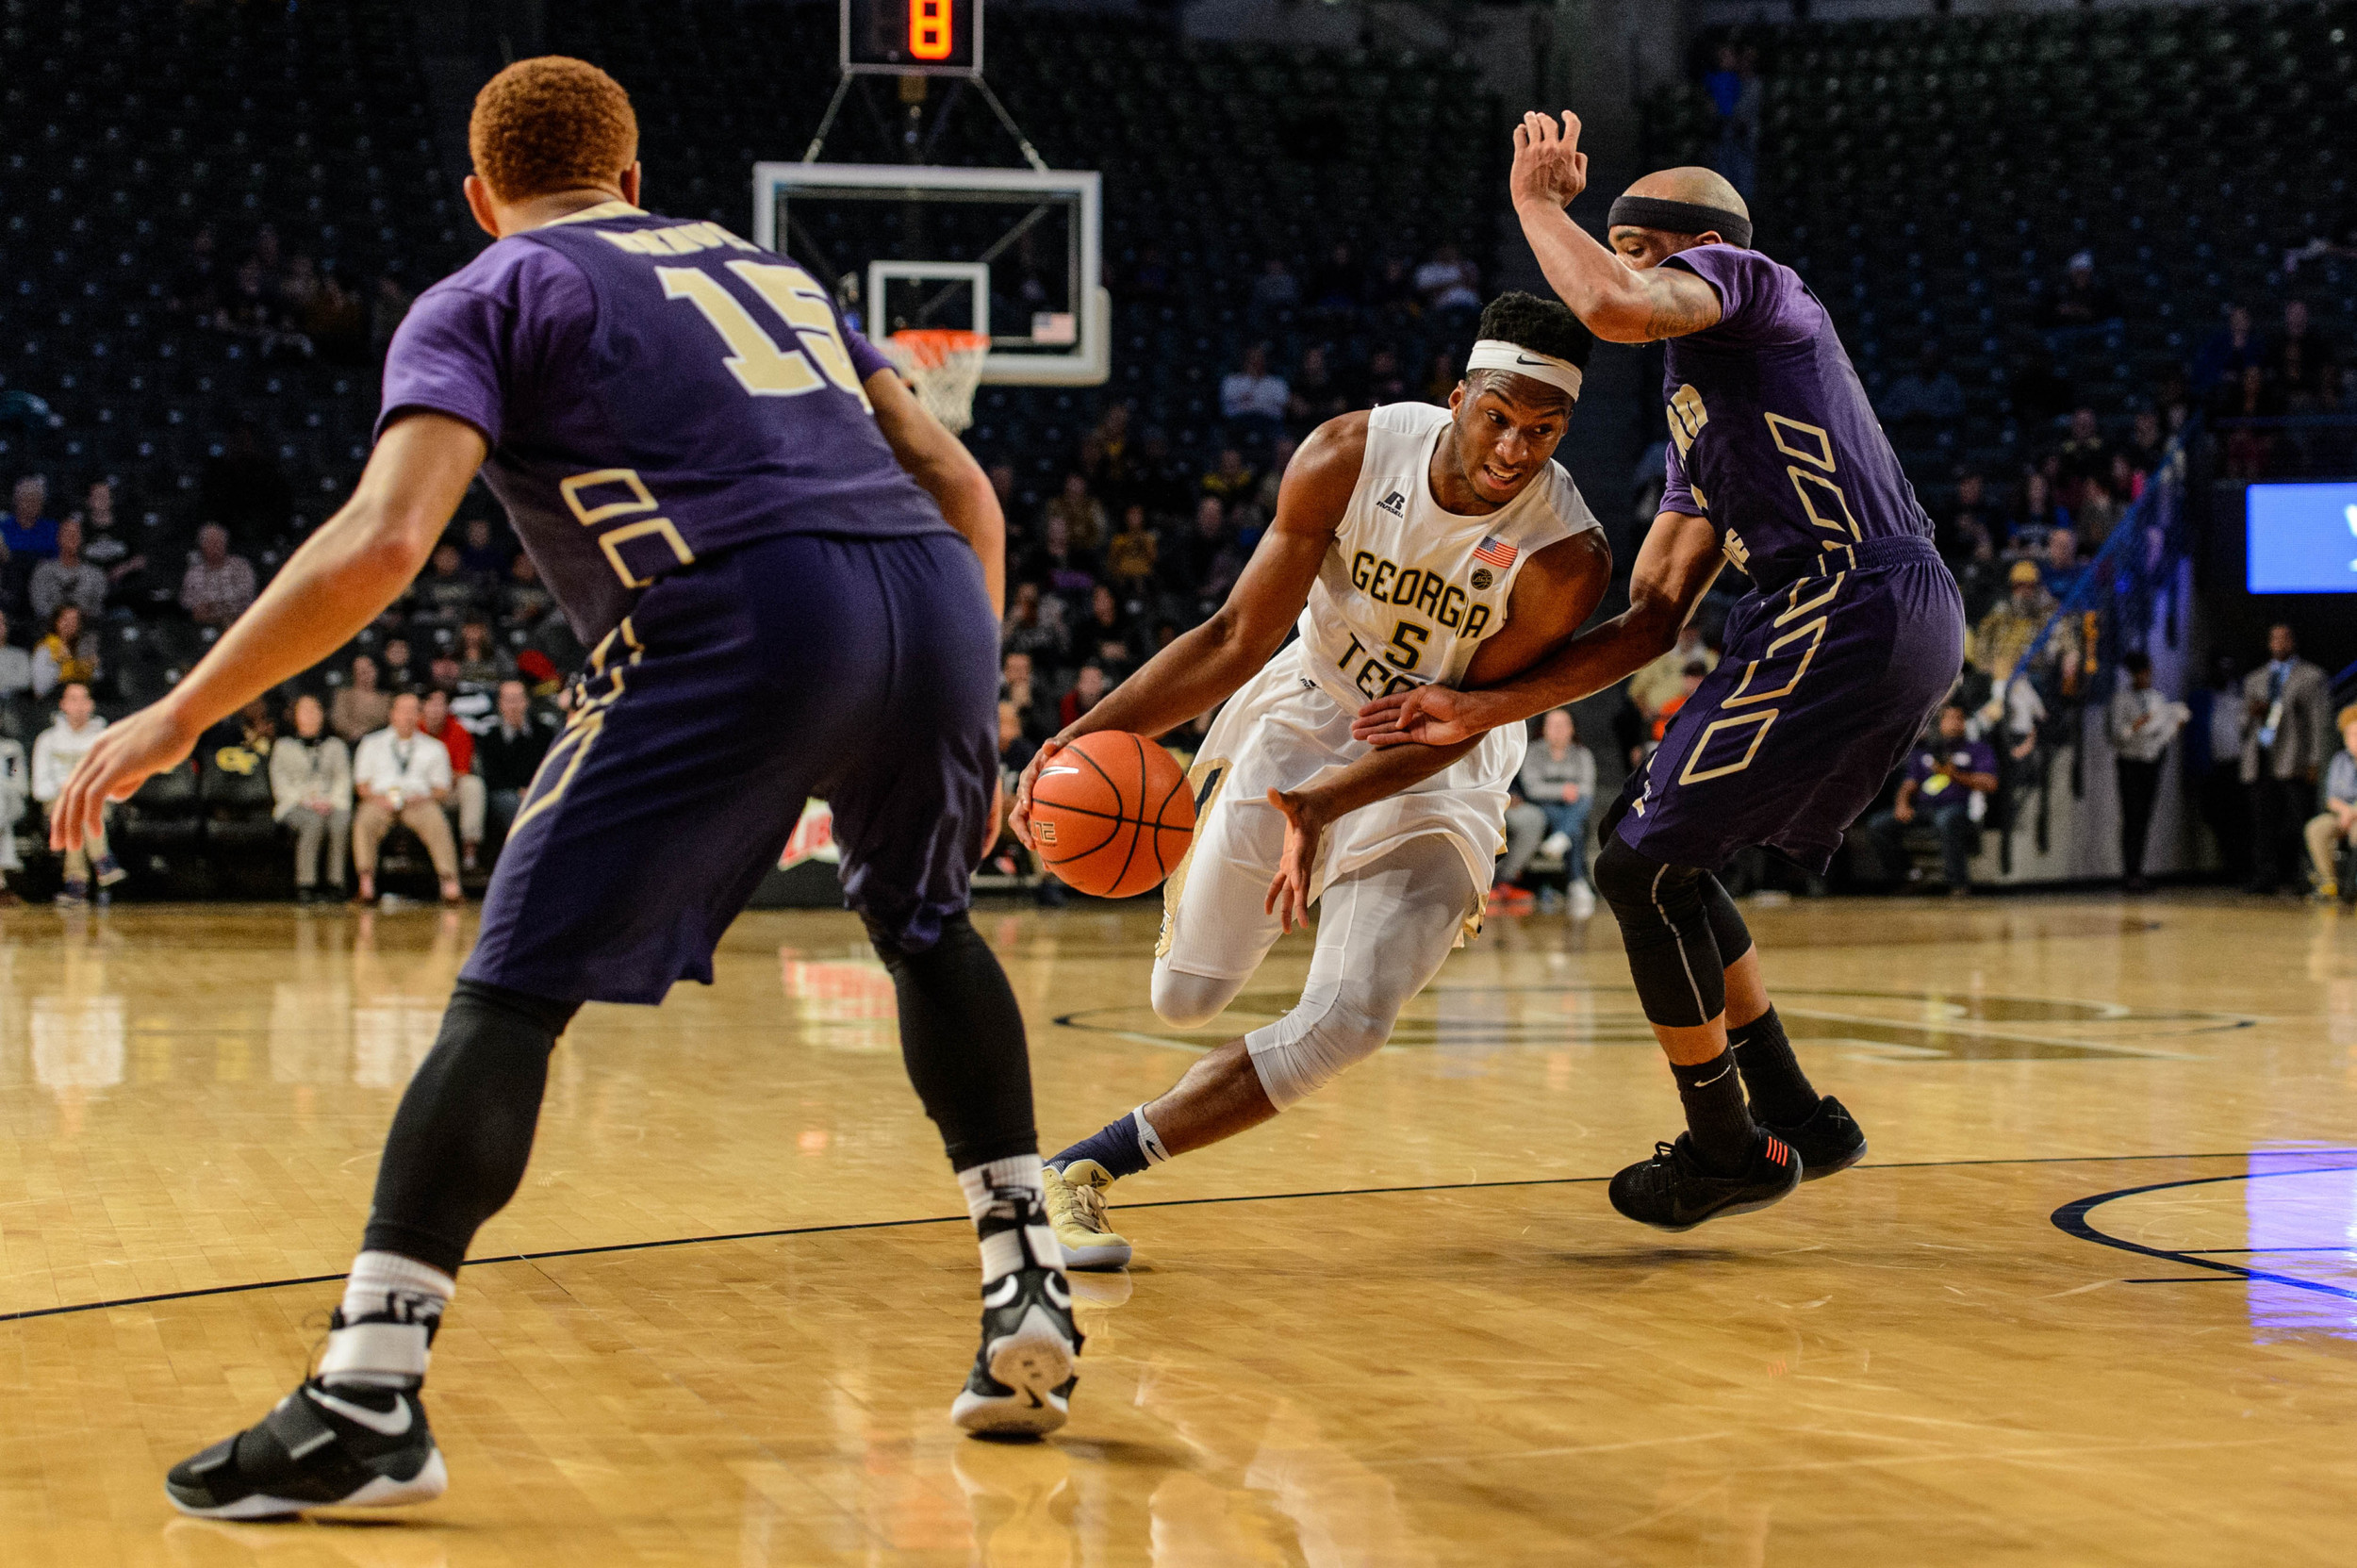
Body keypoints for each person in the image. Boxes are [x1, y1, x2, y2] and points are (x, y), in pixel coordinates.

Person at [50, 58, 1071, 1517]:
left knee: (511, 989)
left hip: (750, 606)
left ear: (482, 199)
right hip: (934, 598)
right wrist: (961, 697)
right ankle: (1026, 1278)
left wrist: (181, 708)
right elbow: (963, 485)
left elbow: (383, 542)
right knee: (926, 926)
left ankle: (369, 1394)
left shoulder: (493, 288)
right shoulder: (765, 266)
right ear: (634, 176)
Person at [1359, 126, 1964, 1230]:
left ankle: (1726, 1146)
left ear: (1699, 253)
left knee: (1637, 867)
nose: (1622, 261)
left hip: (1847, 597)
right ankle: (1796, 1114)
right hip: (1836, 611)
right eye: (1616, 242)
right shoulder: (1702, 409)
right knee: (1662, 858)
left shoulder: (1756, 288)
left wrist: (1534, 205)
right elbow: (1649, 618)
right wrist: (1482, 703)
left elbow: (1609, 308)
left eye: (1640, 245)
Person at [1013, 292, 1611, 1268]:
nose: (1513, 448)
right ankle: (1272, 859)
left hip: (1434, 772)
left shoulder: (1563, 554)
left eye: (1541, 431)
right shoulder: (1348, 453)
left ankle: (1080, 1168)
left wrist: (1328, 809)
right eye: (1497, 417)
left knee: (1347, 1017)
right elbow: (1232, 637)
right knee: (1184, 999)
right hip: (1307, 711)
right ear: (1457, 397)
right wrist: (1074, 739)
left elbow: (1468, 719)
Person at [1866, 703, 1998, 895]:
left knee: (1945, 820)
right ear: (1940, 723)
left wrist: (1955, 775)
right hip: (1924, 809)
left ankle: (1958, 884)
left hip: (1961, 807)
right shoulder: (1925, 751)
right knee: (1878, 825)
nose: (1955, 723)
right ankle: (1908, 876)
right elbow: (1908, 785)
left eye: (1959, 719)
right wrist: (1902, 804)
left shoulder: (1977, 749)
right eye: (1950, 718)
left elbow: (1991, 783)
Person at [2241, 623, 2332, 894]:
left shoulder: (2311, 676)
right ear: (2269, 643)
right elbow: (2241, 722)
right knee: (2262, 822)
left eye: (2284, 638)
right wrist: (2253, 712)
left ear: (2292, 642)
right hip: (2261, 756)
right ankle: (2265, 875)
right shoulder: (2255, 679)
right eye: (2274, 639)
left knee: (2297, 819)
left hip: (2294, 757)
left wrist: (2316, 760)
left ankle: (2303, 874)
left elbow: (2319, 722)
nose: (2279, 643)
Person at [351, 690, 461, 903]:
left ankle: (450, 883)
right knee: (364, 821)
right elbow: (362, 786)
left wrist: (424, 798)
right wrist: (378, 799)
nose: (408, 717)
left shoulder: (434, 747)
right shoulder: (371, 743)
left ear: (419, 715)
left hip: (419, 801)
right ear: (392, 714)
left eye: (413, 711)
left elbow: (442, 789)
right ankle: (366, 884)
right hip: (380, 800)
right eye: (403, 711)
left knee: (436, 820)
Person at [31, 683, 126, 905]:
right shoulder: (47, 740)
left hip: (98, 802)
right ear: (63, 705)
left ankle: (76, 884)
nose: (79, 705)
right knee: (76, 805)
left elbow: (115, 782)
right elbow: (39, 788)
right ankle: (102, 860)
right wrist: (69, 790)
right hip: (57, 801)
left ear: (91, 704)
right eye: (73, 699)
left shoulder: (105, 739)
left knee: (82, 806)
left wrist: (89, 792)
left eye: (83, 699)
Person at [1501, 707, 1596, 916]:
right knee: (1575, 827)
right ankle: (1576, 880)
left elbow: (1587, 789)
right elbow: (1532, 789)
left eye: (1563, 725)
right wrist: (1562, 790)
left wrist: (1570, 794)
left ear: (1572, 728)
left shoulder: (1582, 754)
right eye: (1553, 725)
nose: (1559, 730)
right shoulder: (1533, 751)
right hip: (1543, 806)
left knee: (1583, 803)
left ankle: (1561, 836)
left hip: (1574, 807)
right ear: (1543, 729)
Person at [2108, 652, 2185, 893]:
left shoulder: (2156, 698)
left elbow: (2163, 732)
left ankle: (2139, 871)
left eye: (2148, 673)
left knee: (2144, 818)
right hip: (2130, 761)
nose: (2145, 677)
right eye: (2141, 673)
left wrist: (2174, 725)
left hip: (2151, 761)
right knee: (2131, 817)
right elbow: (2116, 736)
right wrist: (2135, 725)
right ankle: (2130, 872)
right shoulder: (2121, 699)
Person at [271, 692, 353, 901]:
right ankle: (306, 884)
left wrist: (330, 801)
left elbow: (343, 779)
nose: (310, 715)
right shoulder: (283, 746)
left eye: (315, 709)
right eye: (304, 710)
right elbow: (280, 783)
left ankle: (336, 884)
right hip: (295, 803)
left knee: (340, 822)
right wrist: (307, 801)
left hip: (331, 802)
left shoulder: (335, 745)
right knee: (313, 822)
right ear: (295, 716)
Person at [473, 677, 552, 857]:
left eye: (518, 699)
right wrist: (518, 791)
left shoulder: (543, 733)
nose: (513, 705)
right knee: (514, 804)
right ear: (500, 704)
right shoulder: (490, 736)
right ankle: (525, 855)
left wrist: (532, 790)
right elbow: (491, 776)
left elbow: (550, 769)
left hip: (538, 790)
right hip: (504, 792)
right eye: (508, 700)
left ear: (526, 701)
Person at [419, 687, 485, 871]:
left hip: (447, 789)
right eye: (432, 703)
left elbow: (462, 772)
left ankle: (469, 852)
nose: (436, 709)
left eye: (441, 704)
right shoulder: (413, 729)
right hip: (416, 792)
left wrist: (438, 783)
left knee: (472, 785)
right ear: (422, 706)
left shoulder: (459, 731)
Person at [2304, 705, 2357, 901]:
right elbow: (2331, 798)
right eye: (2351, 734)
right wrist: (2345, 812)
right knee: (2317, 828)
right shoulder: (2340, 761)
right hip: (2341, 815)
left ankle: (2353, 885)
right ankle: (2329, 882)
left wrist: (2352, 813)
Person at [179, 522, 259, 628]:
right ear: (202, 546)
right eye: (210, 543)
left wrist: (213, 606)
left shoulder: (240, 566)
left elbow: (245, 598)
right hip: (206, 627)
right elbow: (192, 606)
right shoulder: (193, 574)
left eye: (218, 542)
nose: (215, 547)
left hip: (242, 624)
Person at [29, 520, 108, 622]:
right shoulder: (43, 570)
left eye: (76, 534)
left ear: (82, 539)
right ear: (58, 539)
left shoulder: (95, 574)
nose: (72, 538)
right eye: (67, 534)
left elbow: (98, 607)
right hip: (50, 627)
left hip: (87, 627)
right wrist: (63, 620)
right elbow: (39, 606)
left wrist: (78, 618)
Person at [31, 603, 100, 698]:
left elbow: (96, 681)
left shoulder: (84, 648)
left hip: (82, 699)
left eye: (74, 620)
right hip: (54, 700)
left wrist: (93, 669)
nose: (69, 624)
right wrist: (56, 664)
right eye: (65, 619)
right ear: (56, 622)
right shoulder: (45, 648)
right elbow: (39, 689)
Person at [331, 652, 393, 742]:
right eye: (359, 670)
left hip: (381, 742)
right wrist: (356, 731)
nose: (365, 673)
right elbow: (339, 720)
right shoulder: (343, 695)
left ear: (376, 670)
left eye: (368, 668)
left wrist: (369, 733)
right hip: (352, 742)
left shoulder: (387, 698)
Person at [4, 474, 61, 560]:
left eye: (36, 500)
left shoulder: (53, 529)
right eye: (27, 500)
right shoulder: (3, 529)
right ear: (16, 501)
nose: (32, 505)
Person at [0, 609, 31, 699]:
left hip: (12, 704)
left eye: (1, 622)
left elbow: (25, 681)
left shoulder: (20, 655)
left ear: (6, 627)